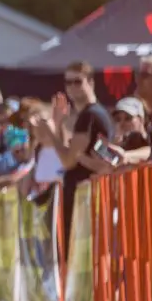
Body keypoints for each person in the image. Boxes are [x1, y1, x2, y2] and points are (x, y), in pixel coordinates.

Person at [35, 61, 113, 258]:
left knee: (78, 259)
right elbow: (72, 155)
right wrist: (59, 125)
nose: (72, 87)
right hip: (85, 195)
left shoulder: (89, 115)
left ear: (91, 82)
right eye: (68, 82)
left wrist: (52, 133)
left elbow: (69, 160)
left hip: (85, 197)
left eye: (77, 82)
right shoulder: (92, 114)